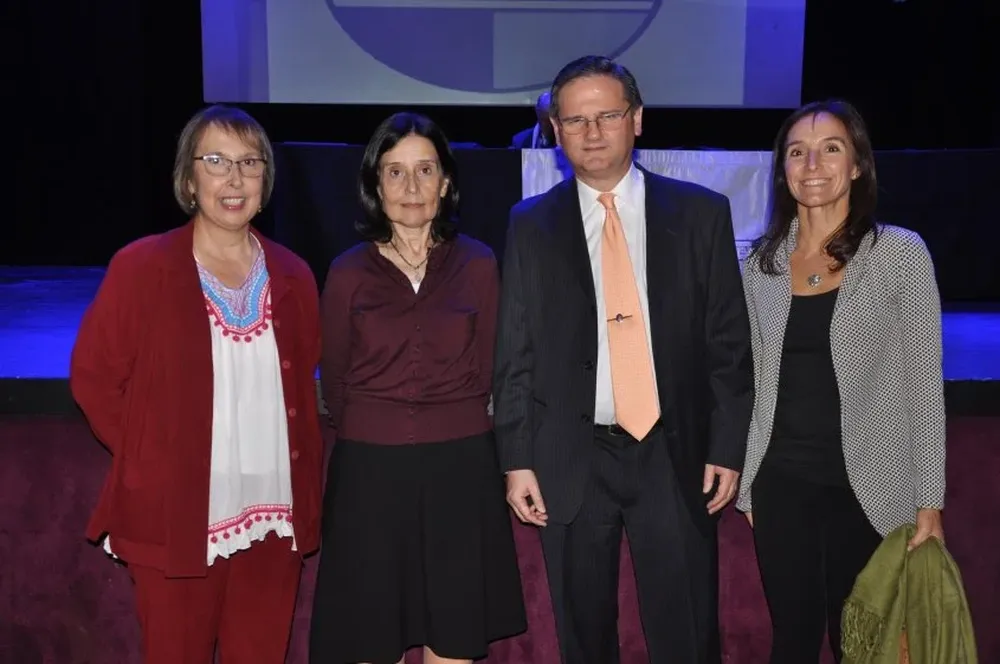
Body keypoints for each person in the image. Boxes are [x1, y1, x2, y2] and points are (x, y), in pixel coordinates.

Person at [493, 55, 754, 664]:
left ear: (637, 119)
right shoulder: (531, 224)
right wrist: (516, 458)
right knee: (584, 635)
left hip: (674, 451)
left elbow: (728, 343)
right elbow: (515, 351)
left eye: (607, 115)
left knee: (687, 630)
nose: (591, 132)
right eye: (574, 120)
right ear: (555, 131)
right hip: (570, 456)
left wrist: (726, 445)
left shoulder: (699, 214)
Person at [69, 105, 324, 663]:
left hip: (272, 520)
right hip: (176, 519)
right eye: (216, 162)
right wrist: (150, 460)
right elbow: (94, 378)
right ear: (189, 179)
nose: (234, 179)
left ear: (266, 181)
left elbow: (301, 387)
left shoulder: (295, 277)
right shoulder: (141, 268)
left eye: (249, 163)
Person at [309, 112, 526, 664]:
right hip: (369, 479)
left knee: (451, 640)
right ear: (374, 185)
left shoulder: (478, 263)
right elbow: (334, 381)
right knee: (369, 638)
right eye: (395, 172)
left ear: (446, 182)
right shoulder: (347, 272)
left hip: (460, 473)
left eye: (425, 170)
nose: (411, 187)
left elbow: (489, 371)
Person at [736, 99, 947, 663]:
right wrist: (750, 480)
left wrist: (929, 501)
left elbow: (923, 387)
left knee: (863, 642)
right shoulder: (761, 266)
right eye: (797, 152)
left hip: (871, 484)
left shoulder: (900, 255)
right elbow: (752, 379)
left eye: (831, 149)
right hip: (782, 482)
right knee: (794, 638)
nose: (812, 165)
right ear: (783, 169)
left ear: (857, 166)